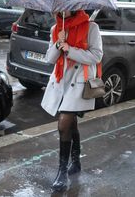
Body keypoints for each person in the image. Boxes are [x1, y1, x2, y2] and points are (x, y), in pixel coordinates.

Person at [41, 10, 103, 191]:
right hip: (61, 81)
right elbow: (50, 59)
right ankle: (75, 161)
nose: (60, 10)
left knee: (63, 124)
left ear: (75, 7)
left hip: (78, 81)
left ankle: (62, 171)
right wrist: (59, 43)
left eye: (64, 6)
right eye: (57, 7)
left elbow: (96, 56)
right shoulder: (56, 28)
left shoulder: (91, 27)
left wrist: (70, 49)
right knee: (71, 123)